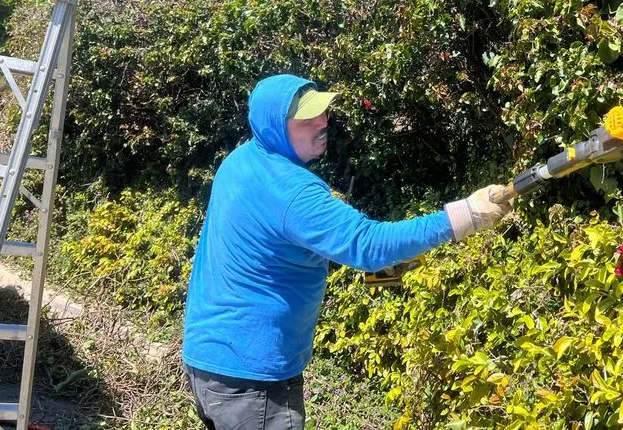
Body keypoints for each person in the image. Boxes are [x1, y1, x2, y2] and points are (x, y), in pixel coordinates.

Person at [182, 74, 513, 429]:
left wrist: (390, 265)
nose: (322, 122)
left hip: (206, 358)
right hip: (254, 378)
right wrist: (467, 215)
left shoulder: (240, 162)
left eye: (322, 112)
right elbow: (368, 244)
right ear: (276, 126)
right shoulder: (294, 193)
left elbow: (279, 246)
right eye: (306, 118)